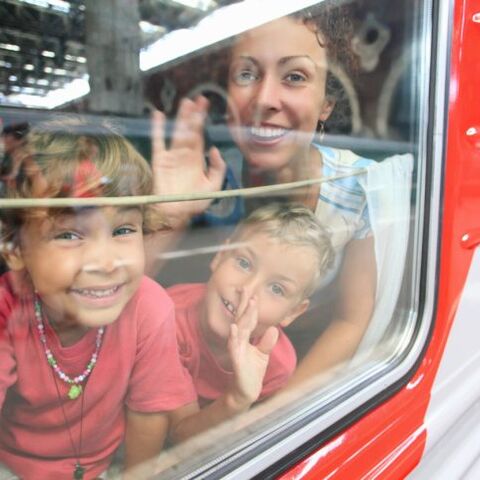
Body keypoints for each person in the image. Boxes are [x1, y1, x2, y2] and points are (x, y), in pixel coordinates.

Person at [150, 2, 376, 386]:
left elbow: (350, 320)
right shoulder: (210, 177)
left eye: (295, 77)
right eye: (247, 74)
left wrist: (271, 415)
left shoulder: (360, 187)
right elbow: (118, 300)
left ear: (326, 104)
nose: (264, 98)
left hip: (301, 372)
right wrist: (171, 213)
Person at [0, 118, 196, 479]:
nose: (107, 263)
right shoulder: (7, 307)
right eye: (70, 235)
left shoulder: (149, 307)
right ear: (14, 248)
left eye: (123, 230)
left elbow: (148, 413)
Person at [167, 203, 334, 442]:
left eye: (276, 288)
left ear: (293, 313)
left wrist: (242, 399)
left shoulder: (276, 365)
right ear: (220, 257)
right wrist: (236, 399)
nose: (247, 290)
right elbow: (177, 435)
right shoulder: (166, 320)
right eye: (244, 263)